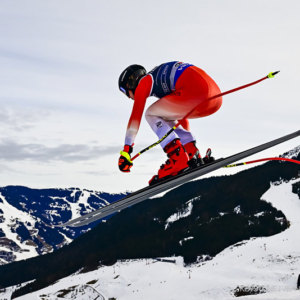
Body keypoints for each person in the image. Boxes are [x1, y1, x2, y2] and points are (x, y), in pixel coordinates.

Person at [118, 62, 222, 185]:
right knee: (163, 114)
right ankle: (191, 153)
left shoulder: (144, 82)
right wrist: (190, 149)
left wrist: (126, 150)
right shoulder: (159, 81)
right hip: (215, 99)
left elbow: (135, 116)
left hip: (198, 93)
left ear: (131, 83)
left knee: (150, 114)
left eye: (124, 91)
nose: (128, 97)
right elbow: (182, 118)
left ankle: (177, 158)